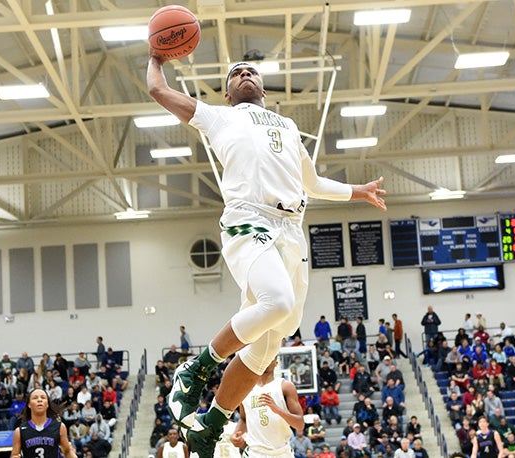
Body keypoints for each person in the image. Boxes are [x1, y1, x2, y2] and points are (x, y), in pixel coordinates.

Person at [147, 54, 387, 457]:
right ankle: (196, 368)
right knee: (278, 302)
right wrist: (156, 56)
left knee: (263, 352)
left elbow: (311, 182)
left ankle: (211, 423)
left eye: (251, 71)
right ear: (227, 93)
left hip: (292, 232)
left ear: (262, 87)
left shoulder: (289, 126)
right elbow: (158, 89)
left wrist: (356, 191)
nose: (245, 74)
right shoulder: (220, 118)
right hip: (249, 219)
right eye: (236, 73)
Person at [230, 358, 304, 456]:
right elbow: (244, 419)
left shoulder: (285, 386)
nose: (265, 360)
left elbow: (300, 425)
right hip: (255, 453)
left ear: (276, 363)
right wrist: (236, 433)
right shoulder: (244, 388)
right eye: (263, 356)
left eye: (270, 356)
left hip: (281, 452)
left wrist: (277, 410)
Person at [10, 388, 77, 458]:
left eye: (43, 397)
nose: (39, 400)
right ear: (29, 404)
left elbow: (67, 452)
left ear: (47, 404)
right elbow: (15, 454)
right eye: (35, 398)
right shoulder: (20, 431)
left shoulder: (60, 427)